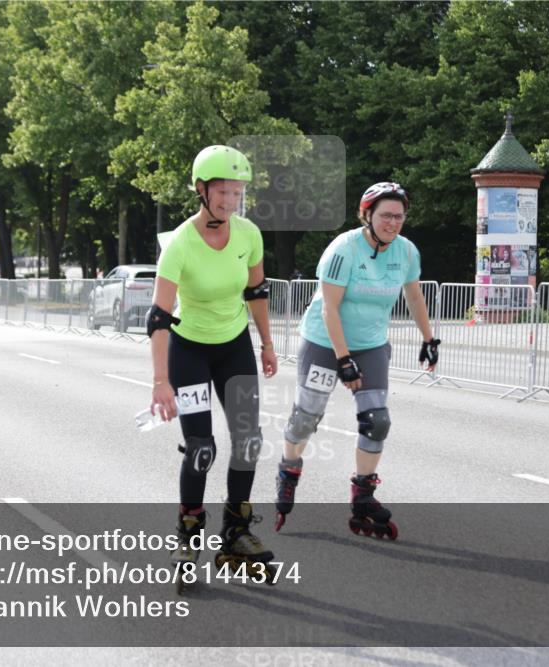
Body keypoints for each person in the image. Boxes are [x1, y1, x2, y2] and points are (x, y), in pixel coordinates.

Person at [274, 182, 440, 539]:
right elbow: (330, 309)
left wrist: (429, 339)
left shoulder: (406, 252)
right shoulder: (343, 249)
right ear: (367, 215)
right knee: (306, 417)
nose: (393, 223)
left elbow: (414, 296)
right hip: (323, 340)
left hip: (371, 344)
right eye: (385, 216)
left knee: (377, 421)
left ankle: (363, 494)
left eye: (399, 216)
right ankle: (289, 470)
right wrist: (343, 359)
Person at [147, 145, 278, 584]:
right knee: (202, 449)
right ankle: (188, 532)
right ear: (201, 190)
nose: (230, 200)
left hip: (234, 347)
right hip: (189, 352)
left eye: (237, 192)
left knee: (249, 442)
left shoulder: (248, 235)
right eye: (222, 191)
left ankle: (236, 534)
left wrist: (267, 344)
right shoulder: (180, 244)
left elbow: (256, 294)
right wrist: (160, 380)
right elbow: (159, 318)